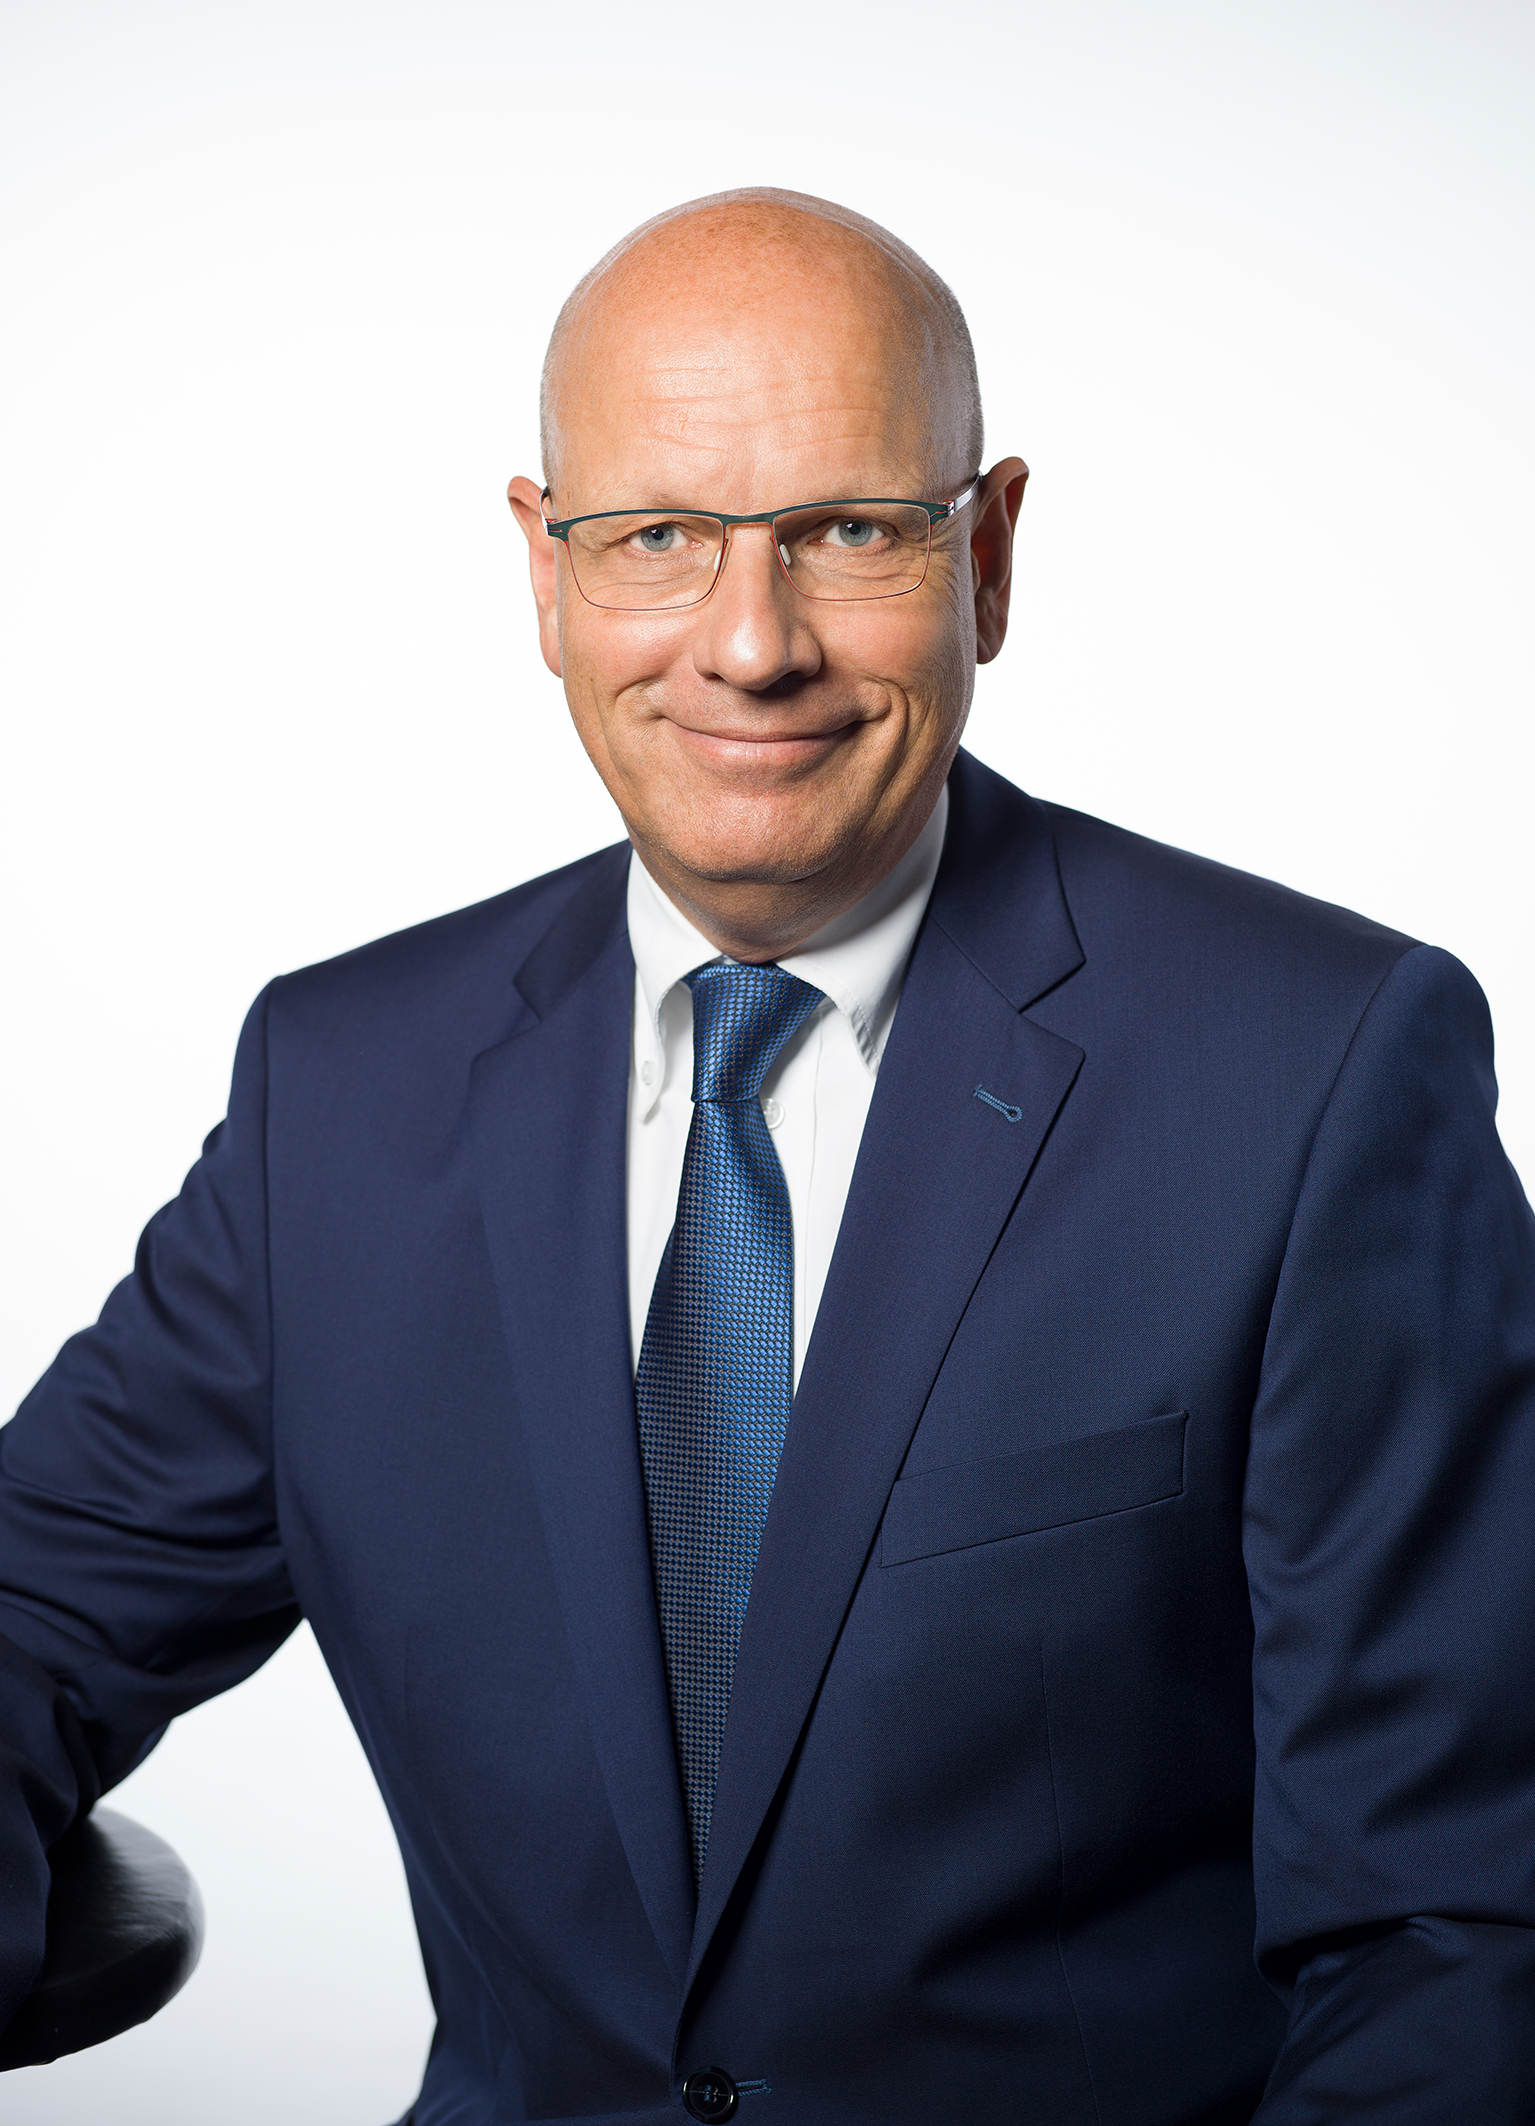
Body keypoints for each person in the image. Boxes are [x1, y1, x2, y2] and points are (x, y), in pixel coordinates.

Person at [3, 187, 1535, 2126]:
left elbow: (1455, 1931)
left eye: (849, 529)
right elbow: (30, 1616)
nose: (750, 642)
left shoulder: (1317, 1073)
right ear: (544, 571)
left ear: (987, 557)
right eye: (656, 536)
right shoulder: (343, 1090)